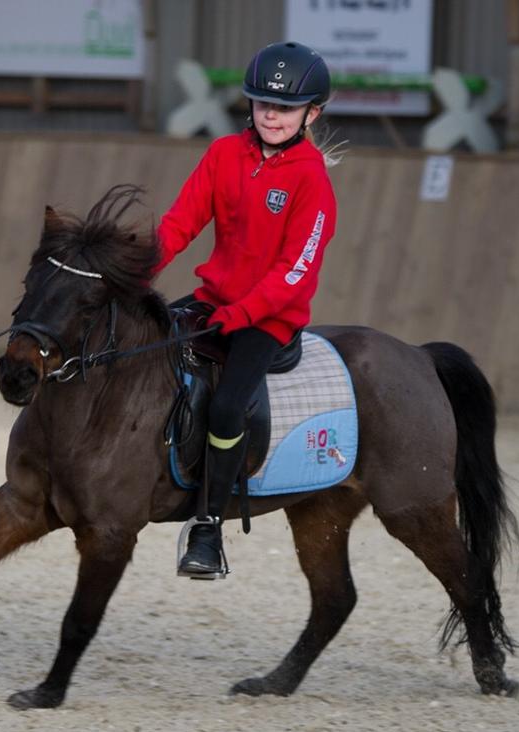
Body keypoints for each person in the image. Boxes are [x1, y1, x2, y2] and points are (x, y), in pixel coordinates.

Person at [154, 41, 338, 577]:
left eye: (284, 108)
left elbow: (296, 271)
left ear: (312, 114)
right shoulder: (222, 155)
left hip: (268, 319)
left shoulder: (312, 180)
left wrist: (242, 314)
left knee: (229, 406)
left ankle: (208, 527)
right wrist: (138, 269)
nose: (272, 116)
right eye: (262, 105)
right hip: (213, 300)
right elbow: (179, 224)